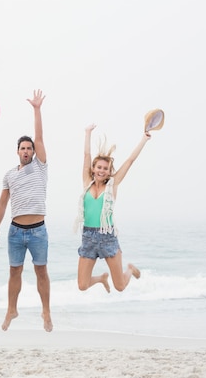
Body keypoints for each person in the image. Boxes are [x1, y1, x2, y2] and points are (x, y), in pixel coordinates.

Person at [0, 89, 52, 332]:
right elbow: (2, 203)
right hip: (15, 231)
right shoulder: (9, 175)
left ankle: (46, 311)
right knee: (14, 272)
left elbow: (39, 138)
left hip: (38, 231)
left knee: (41, 272)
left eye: (29, 148)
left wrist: (36, 110)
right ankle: (11, 309)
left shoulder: (40, 167)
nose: (27, 150)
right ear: (17, 151)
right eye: (23, 148)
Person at [74, 123, 150, 293]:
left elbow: (130, 161)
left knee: (120, 286)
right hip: (88, 236)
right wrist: (87, 133)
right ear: (93, 169)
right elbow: (86, 155)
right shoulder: (87, 183)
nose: (101, 171)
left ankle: (130, 269)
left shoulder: (112, 185)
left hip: (107, 236)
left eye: (105, 169)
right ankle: (101, 278)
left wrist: (143, 140)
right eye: (99, 167)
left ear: (109, 172)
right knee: (82, 285)